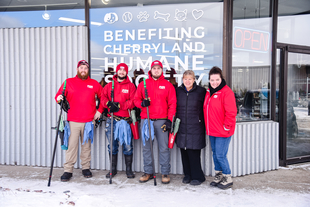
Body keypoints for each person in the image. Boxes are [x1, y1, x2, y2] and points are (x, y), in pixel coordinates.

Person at [55, 60, 103, 182]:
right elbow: (58, 96)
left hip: (89, 122)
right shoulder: (68, 82)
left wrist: (100, 111)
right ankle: (68, 170)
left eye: (85, 68)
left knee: (86, 146)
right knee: (72, 146)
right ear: (77, 69)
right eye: (81, 68)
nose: (83, 70)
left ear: (88, 70)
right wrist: (58, 99)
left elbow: (104, 98)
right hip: (73, 121)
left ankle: (85, 168)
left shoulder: (94, 84)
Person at [134, 60, 177, 184]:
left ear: (162, 70)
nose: (156, 70)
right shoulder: (143, 84)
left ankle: (165, 173)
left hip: (162, 121)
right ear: (151, 70)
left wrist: (169, 120)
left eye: (159, 68)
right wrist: (142, 104)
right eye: (154, 68)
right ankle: (148, 172)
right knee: (147, 148)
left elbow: (172, 103)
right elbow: (136, 100)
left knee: (163, 148)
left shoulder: (168, 85)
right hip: (146, 120)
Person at [203, 66, 237, 190]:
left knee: (221, 155)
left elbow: (231, 112)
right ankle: (219, 175)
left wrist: (227, 127)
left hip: (223, 130)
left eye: (217, 79)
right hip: (212, 130)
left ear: (221, 79)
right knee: (215, 154)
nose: (214, 82)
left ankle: (227, 177)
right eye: (212, 80)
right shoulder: (209, 93)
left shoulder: (226, 92)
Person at [101, 63, 136, 178]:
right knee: (112, 145)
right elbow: (103, 98)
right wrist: (108, 104)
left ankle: (129, 170)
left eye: (124, 70)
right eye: (119, 70)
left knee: (127, 146)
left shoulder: (131, 86)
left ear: (126, 72)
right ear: (117, 72)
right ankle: (113, 169)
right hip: (112, 120)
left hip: (125, 121)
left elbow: (133, 102)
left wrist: (120, 106)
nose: (121, 72)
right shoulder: (109, 85)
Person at [175, 70, 206, 185]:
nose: (187, 81)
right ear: (182, 80)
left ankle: (198, 176)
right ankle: (187, 175)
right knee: (184, 151)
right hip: (181, 125)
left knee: (194, 152)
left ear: (194, 80)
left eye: (190, 79)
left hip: (196, 126)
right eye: (185, 79)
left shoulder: (201, 91)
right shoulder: (178, 91)